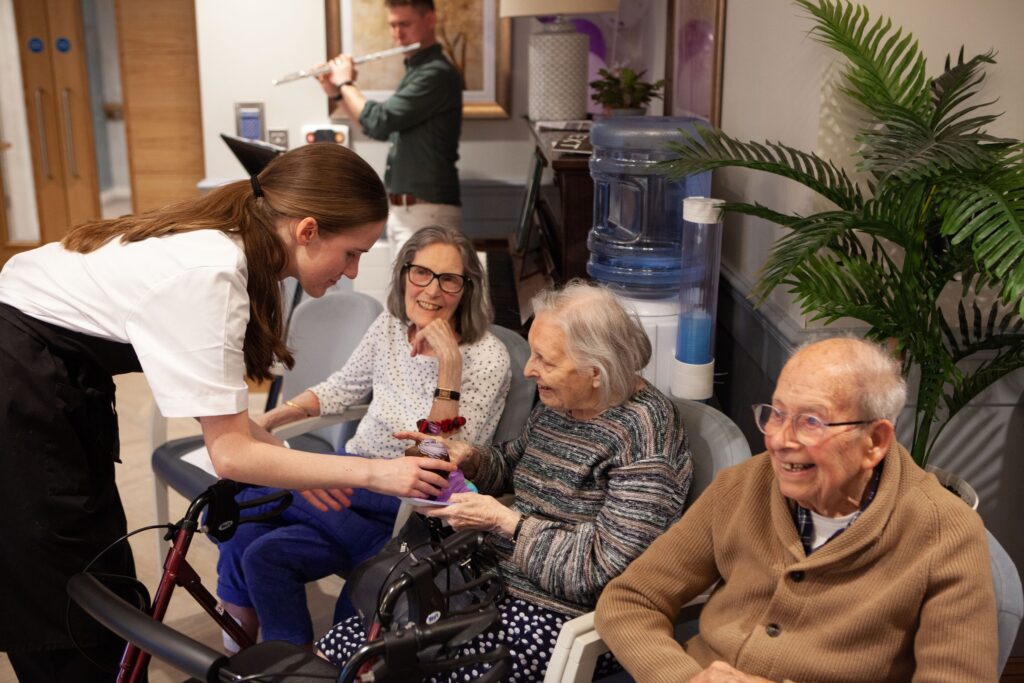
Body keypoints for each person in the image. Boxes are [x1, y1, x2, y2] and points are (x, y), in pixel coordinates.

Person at [0, 143, 456, 683]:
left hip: (48, 371)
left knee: (98, 567)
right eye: (352, 252)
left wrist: (287, 457)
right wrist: (377, 472)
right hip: (22, 382)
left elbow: (224, 419)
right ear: (307, 230)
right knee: (65, 597)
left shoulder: (222, 242)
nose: (354, 273)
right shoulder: (214, 275)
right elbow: (230, 453)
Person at [316, 280, 694, 682]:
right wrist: (470, 458)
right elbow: (515, 463)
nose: (530, 370)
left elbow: (602, 570)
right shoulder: (564, 403)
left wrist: (505, 522)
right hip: (485, 581)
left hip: (556, 614)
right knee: (345, 646)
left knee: (397, 667)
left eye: (545, 361)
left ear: (596, 371)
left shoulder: (645, 439)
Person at [595, 337, 999, 683]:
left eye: (810, 421)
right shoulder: (742, 487)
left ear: (875, 440)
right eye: (776, 414)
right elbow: (631, 599)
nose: (779, 440)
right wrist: (685, 678)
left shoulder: (945, 533)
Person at [214, 225, 511, 647]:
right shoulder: (391, 325)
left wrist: (449, 366)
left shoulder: (485, 358)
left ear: (467, 289)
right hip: (354, 487)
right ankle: (292, 670)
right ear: (404, 273)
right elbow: (344, 386)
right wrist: (278, 416)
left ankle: (366, 553)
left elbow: (440, 463)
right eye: (421, 273)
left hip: (404, 501)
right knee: (258, 550)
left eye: (450, 279)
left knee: (240, 495)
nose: (432, 289)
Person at [318, 0, 463, 256]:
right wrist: (338, 94)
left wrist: (346, 82)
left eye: (404, 24)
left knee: (419, 295)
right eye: (393, 25)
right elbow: (373, 128)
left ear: (430, 20)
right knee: (402, 294)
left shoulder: (436, 73)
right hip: (405, 211)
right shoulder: (416, 71)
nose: (397, 34)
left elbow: (379, 121)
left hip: (427, 212)